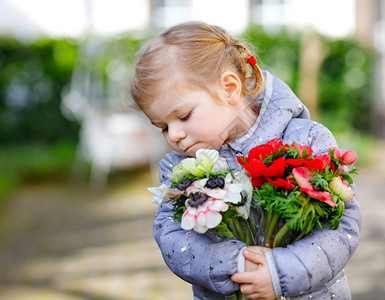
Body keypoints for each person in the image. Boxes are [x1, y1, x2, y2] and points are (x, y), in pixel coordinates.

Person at [130, 21, 361, 300]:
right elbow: (172, 236)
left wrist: (281, 272)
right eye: (163, 126)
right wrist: (236, 264)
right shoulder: (179, 168)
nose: (175, 135)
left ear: (229, 88)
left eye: (184, 116)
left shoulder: (305, 141)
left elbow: (341, 226)